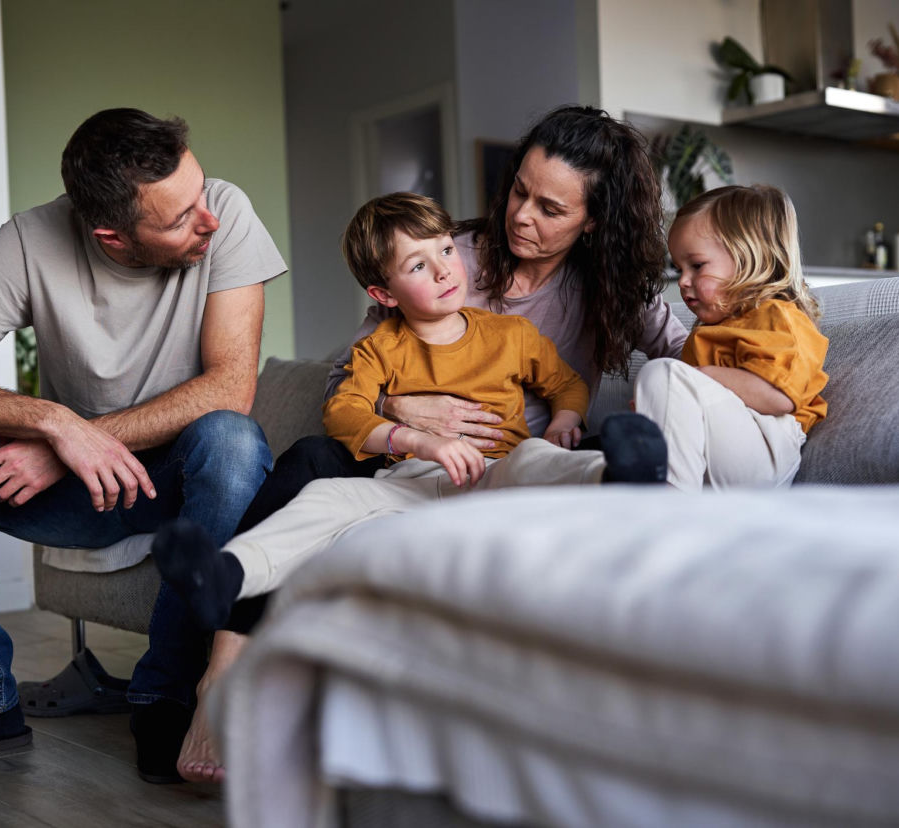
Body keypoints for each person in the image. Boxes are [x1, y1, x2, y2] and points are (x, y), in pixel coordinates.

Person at [163, 104, 691, 783]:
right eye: (518, 190)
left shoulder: (609, 288)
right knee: (314, 468)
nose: (521, 216)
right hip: (407, 463)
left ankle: (618, 481)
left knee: (562, 456)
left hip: (514, 463)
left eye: (551, 209)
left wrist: (770, 326)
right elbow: (345, 381)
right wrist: (404, 412)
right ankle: (221, 674)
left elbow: (685, 347)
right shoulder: (452, 253)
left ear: (593, 220)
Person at [0, 108, 286, 784]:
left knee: (231, 441)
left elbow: (231, 387)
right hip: (69, 494)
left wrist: (76, 439)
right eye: (177, 219)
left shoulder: (224, 211)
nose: (208, 220)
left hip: (176, 477)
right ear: (111, 236)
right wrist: (52, 422)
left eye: (198, 195)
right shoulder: (28, 241)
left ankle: (163, 694)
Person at [633, 185, 828, 490]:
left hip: (766, 447)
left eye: (697, 266)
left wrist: (698, 378)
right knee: (660, 385)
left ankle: (668, 507)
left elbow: (779, 398)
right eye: (679, 268)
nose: (683, 281)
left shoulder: (778, 317)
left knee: (664, 374)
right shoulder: (706, 333)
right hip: (722, 454)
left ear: (749, 257)